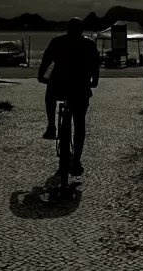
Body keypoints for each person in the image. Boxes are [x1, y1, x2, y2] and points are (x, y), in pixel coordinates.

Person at [37, 17, 100, 177]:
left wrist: (40, 75)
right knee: (79, 124)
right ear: (82, 30)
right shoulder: (89, 44)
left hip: (59, 84)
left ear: (68, 29)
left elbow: (46, 60)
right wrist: (94, 81)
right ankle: (76, 160)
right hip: (80, 86)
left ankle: (51, 126)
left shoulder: (57, 41)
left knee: (50, 95)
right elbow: (95, 65)